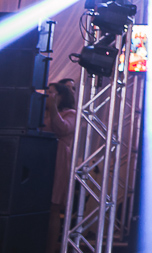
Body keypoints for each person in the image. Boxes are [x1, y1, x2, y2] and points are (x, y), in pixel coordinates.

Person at [43, 81, 77, 253]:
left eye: (51, 92)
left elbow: (62, 129)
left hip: (58, 158)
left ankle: (50, 249)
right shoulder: (43, 112)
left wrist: (54, 108)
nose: (47, 95)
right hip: (41, 157)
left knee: (53, 206)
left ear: (61, 96)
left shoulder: (70, 113)